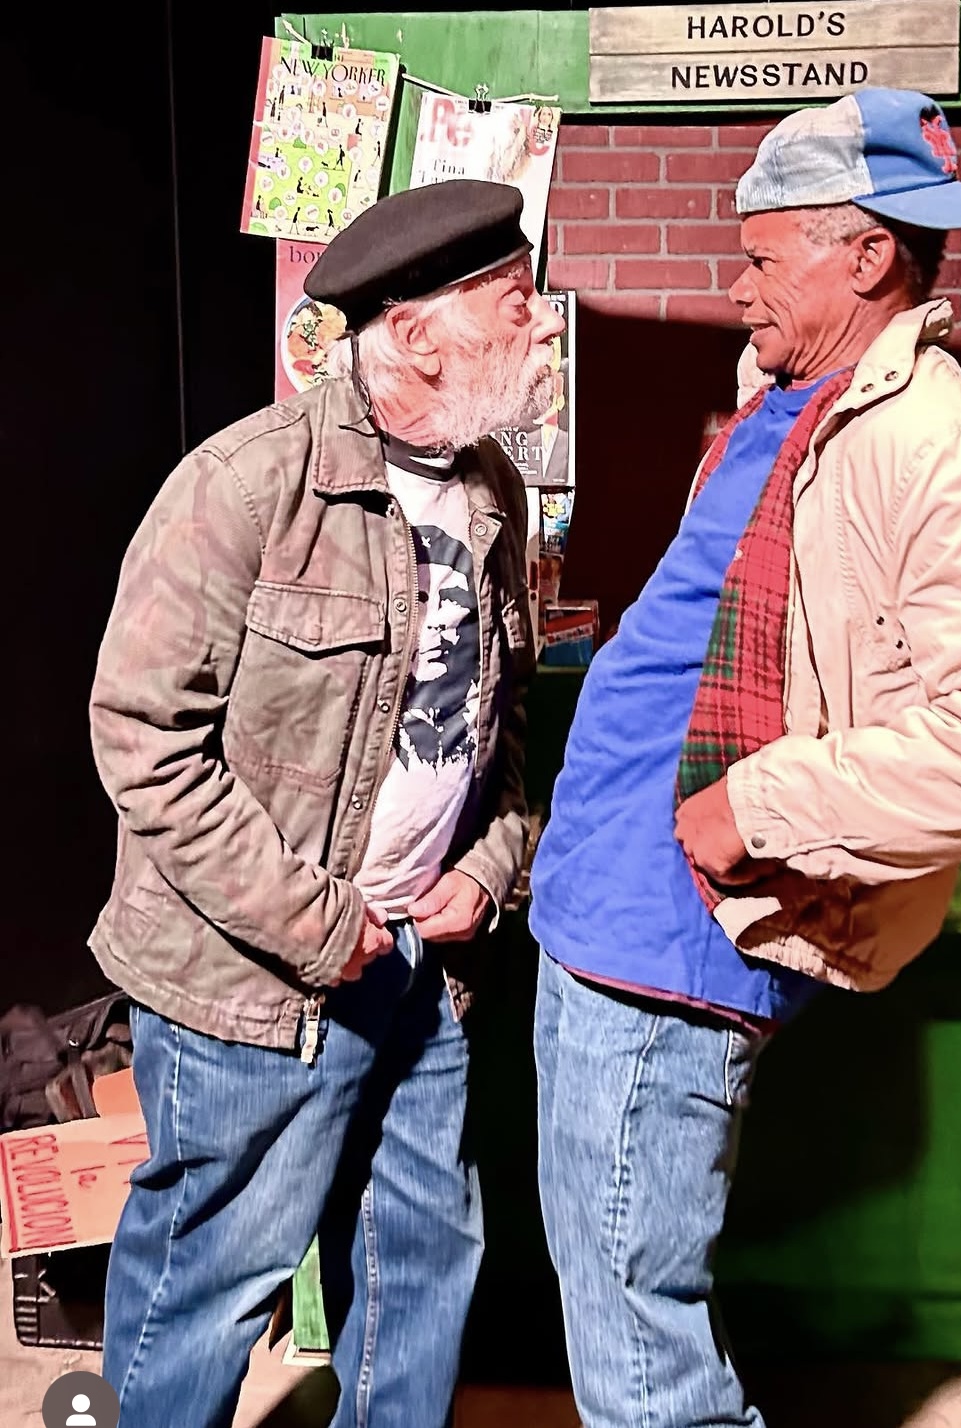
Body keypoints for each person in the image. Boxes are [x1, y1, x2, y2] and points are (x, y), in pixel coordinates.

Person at [529, 89, 961, 1427]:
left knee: (641, 1368)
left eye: (762, 255)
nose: (737, 289)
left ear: (866, 255)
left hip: (669, 943)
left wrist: (759, 801)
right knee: (619, 1320)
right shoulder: (794, 399)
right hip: (605, 919)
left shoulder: (930, 443)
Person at [89, 179, 560, 1428]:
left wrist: (493, 862)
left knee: (420, 1266)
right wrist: (316, 924)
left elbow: (496, 730)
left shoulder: (491, 493)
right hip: (253, 984)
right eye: (517, 308)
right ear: (414, 335)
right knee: (212, 1283)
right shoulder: (243, 489)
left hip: (424, 964)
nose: (545, 328)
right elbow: (143, 741)